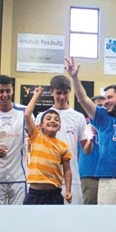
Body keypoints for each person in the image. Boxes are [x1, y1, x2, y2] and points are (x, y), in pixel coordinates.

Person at [66, 58, 116, 205]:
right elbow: (83, 99)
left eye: (110, 97)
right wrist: (74, 77)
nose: (106, 101)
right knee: (107, 223)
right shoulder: (102, 117)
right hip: (108, 181)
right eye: (105, 98)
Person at [36, 75, 88, 204]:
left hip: (72, 176)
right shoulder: (42, 117)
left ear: (70, 92)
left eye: (65, 93)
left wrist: (90, 140)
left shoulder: (78, 117)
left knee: (72, 219)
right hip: (47, 178)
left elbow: (86, 149)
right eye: (58, 93)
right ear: (51, 92)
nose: (62, 97)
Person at [24, 88, 72, 205]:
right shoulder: (36, 136)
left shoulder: (63, 146)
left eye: (56, 120)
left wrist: (68, 190)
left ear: (59, 127)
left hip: (54, 194)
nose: (53, 121)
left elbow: (67, 169)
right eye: (48, 119)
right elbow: (27, 114)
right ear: (41, 125)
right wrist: (36, 96)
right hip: (34, 193)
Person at [0, 75, 27, 205]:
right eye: (1, 91)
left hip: (18, 177)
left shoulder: (25, 112)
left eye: (8, 91)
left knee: (19, 219)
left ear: (12, 91)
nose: (5, 95)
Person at [78, 95, 105, 205]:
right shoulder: (84, 123)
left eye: (104, 105)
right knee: (90, 208)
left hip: (108, 175)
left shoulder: (109, 123)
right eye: (99, 105)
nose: (102, 108)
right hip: (90, 173)